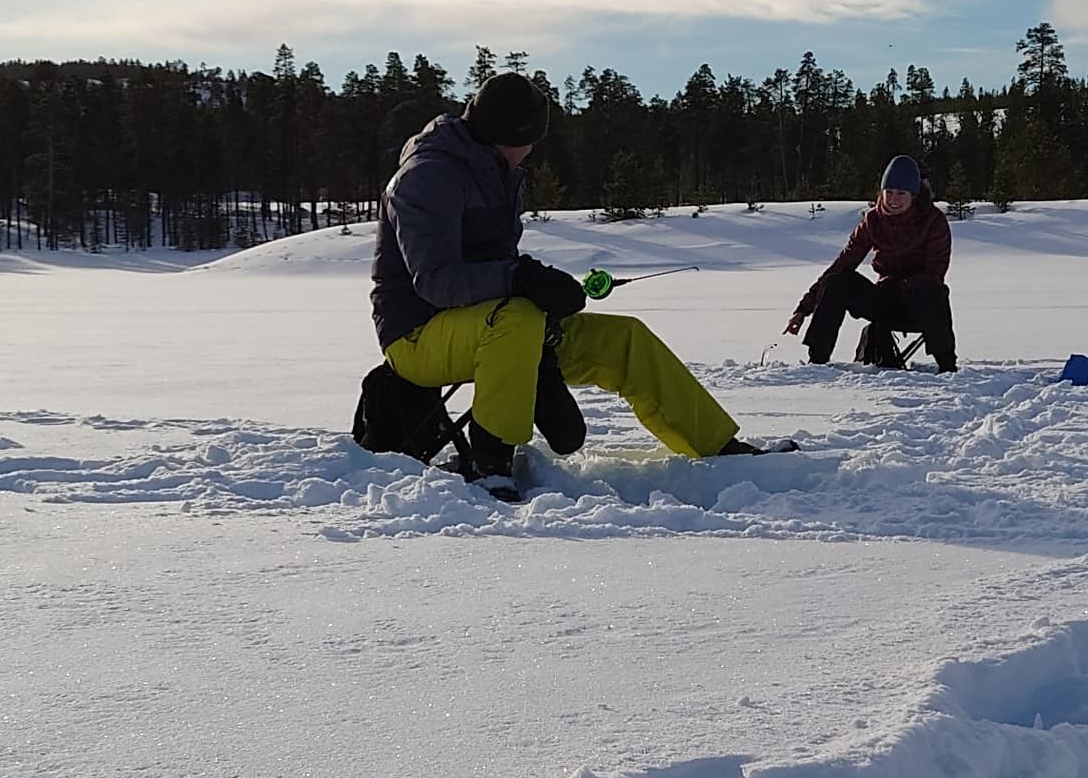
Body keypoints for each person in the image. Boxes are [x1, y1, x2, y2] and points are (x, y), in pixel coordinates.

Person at [373, 73, 766, 487]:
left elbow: (495, 266)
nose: (531, 152)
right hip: (416, 338)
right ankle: (489, 467)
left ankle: (718, 448)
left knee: (624, 339)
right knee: (518, 320)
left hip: (497, 324)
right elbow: (437, 281)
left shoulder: (496, 173)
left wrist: (544, 287)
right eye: (531, 140)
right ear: (513, 133)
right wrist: (521, 278)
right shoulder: (426, 177)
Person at [788, 153, 956, 370]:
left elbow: (936, 272)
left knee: (932, 290)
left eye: (901, 193)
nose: (894, 200)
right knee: (838, 280)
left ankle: (947, 366)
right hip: (884, 299)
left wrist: (902, 287)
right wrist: (803, 309)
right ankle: (817, 363)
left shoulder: (933, 221)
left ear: (913, 195)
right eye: (889, 192)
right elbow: (842, 264)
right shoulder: (873, 221)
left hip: (918, 303)